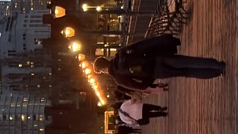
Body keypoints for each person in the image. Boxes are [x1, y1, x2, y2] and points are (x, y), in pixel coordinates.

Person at [94, 34, 225, 91]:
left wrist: (149, 77)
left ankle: (216, 73)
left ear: (103, 70)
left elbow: (140, 86)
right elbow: (142, 46)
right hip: (156, 58)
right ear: (106, 59)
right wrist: (163, 41)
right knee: (188, 61)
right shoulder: (121, 53)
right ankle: (218, 65)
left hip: (157, 72)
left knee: (186, 72)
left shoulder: (118, 78)